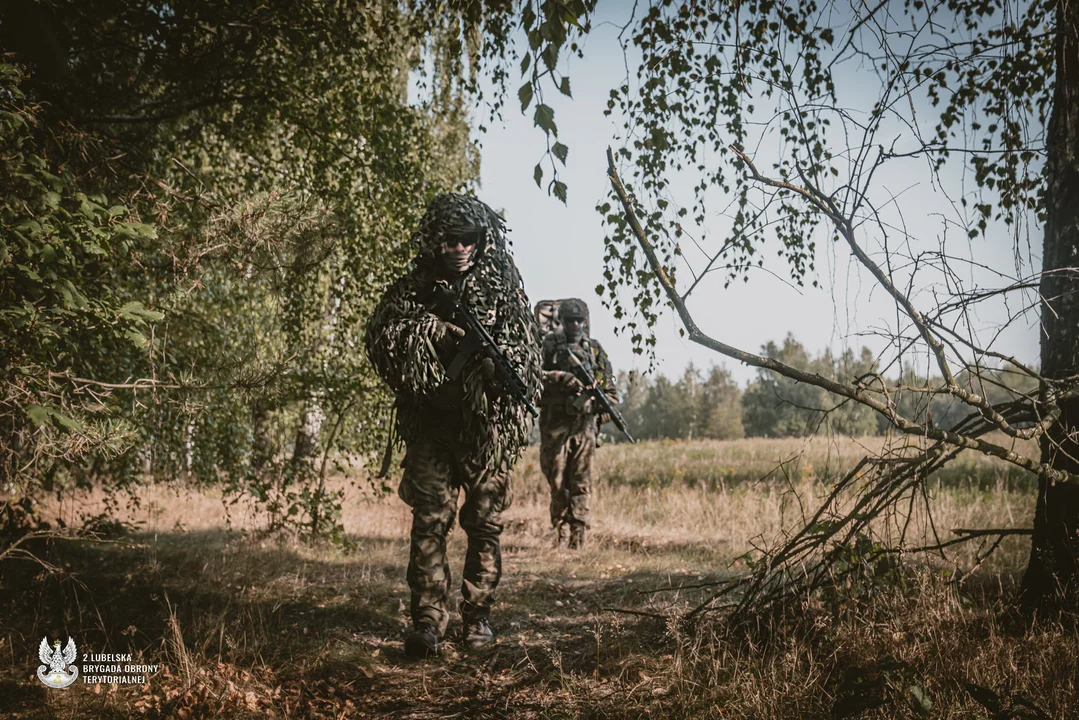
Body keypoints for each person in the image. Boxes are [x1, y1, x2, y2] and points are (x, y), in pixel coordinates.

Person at [364, 193, 542, 658]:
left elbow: (526, 353)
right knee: (429, 524)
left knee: (484, 525)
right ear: (434, 241)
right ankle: (427, 623)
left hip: (484, 431)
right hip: (431, 426)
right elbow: (381, 338)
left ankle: (478, 618)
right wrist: (432, 333)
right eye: (451, 239)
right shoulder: (414, 287)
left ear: (483, 241)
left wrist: (495, 372)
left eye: (470, 239)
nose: (461, 248)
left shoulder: (504, 289)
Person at [538, 298, 619, 549]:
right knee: (557, 481)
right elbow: (532, 377)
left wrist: (594, 407)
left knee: (581, 482)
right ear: (560, 321)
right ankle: (560, 531)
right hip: (555, 427)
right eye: (570, 320)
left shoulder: (594, 351)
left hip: (584, 428)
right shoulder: (549, 345)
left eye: (579, 320)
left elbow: (612, 396)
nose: (575, 325)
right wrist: (561, 378)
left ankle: (578, 537)